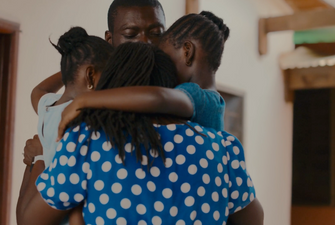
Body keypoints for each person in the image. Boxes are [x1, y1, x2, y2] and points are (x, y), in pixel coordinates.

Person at [17, 42, 264, 225]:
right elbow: (254, 219)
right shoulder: (223, 147)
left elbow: (29, 221)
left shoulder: (87, 141)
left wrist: (38, 159)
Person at [57, 11, 228, 140]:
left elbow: (158, 98)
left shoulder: (199, 97)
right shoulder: (213, 101)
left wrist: (85, 100)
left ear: (187, 51)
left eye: (166, 59)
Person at [30, 27, 113, 168]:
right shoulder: (85, 116)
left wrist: (71, 67)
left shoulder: (48, 107)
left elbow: (39, 90)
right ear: (91, 76)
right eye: (109, 77)